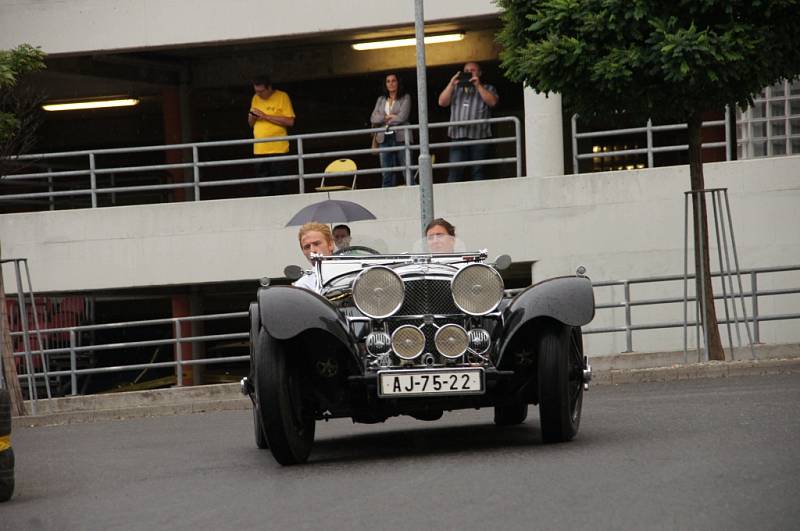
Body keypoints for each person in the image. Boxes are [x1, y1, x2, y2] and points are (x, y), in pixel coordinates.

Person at [437, 62, 499, 183]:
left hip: (479, 136)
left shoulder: (488, 88)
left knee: (478, 171)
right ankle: (453, 198)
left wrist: (478, 85)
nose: (469, 73)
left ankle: (479, 199)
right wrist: (451, 83)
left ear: (480, 73)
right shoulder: (455, 89)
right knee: (455, 170)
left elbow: (493, 102)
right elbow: (442, 102)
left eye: (473, 70)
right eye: (466, 71)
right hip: (458, 136)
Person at [248, 74, 296, 196]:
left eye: (261, 91)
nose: (258, 94)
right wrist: (252, 117)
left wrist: (265, 116)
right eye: (256, 91)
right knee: (263, 186)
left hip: (278, 148)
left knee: (280, 184)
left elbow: (290, 121)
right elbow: (250, 124)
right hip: (259, 149)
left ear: (269, 88)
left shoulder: (282, 96)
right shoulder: (255, 98)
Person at [370, 73, 413, 187]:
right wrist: (388, 117)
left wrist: (383, 120)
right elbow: (373, 118)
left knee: (407, 170)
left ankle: (414, 196)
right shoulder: (381, 99)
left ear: (398, 82)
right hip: (384, 138)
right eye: (388, 81)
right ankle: (386, 199)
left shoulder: (405, 97)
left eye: (393, 80)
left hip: (401, 137)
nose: (391, 83)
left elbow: (402, 117)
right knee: (386, 173)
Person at [293, 222, 335, 293]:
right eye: (307, 247)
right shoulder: (303, 285)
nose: (312, 250)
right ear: (303, 251)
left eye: (316, 244)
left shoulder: (351, 269)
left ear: (330, 245)